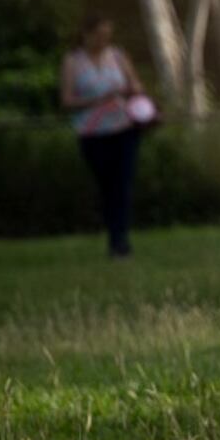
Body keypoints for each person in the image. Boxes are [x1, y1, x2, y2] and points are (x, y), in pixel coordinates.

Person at [61, 16, 148, 258]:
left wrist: (130, 91)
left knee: (122, 184)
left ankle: (120, 241)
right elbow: (66, 100)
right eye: (98, 35)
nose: (103, 41)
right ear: (86, 34)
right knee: (107, 186)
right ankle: (114, 233)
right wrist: (98, 99)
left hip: (124, 128)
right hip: (93, 133)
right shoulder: (72, 61)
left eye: (106, 35)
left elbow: (136, 86)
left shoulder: (118, 56)